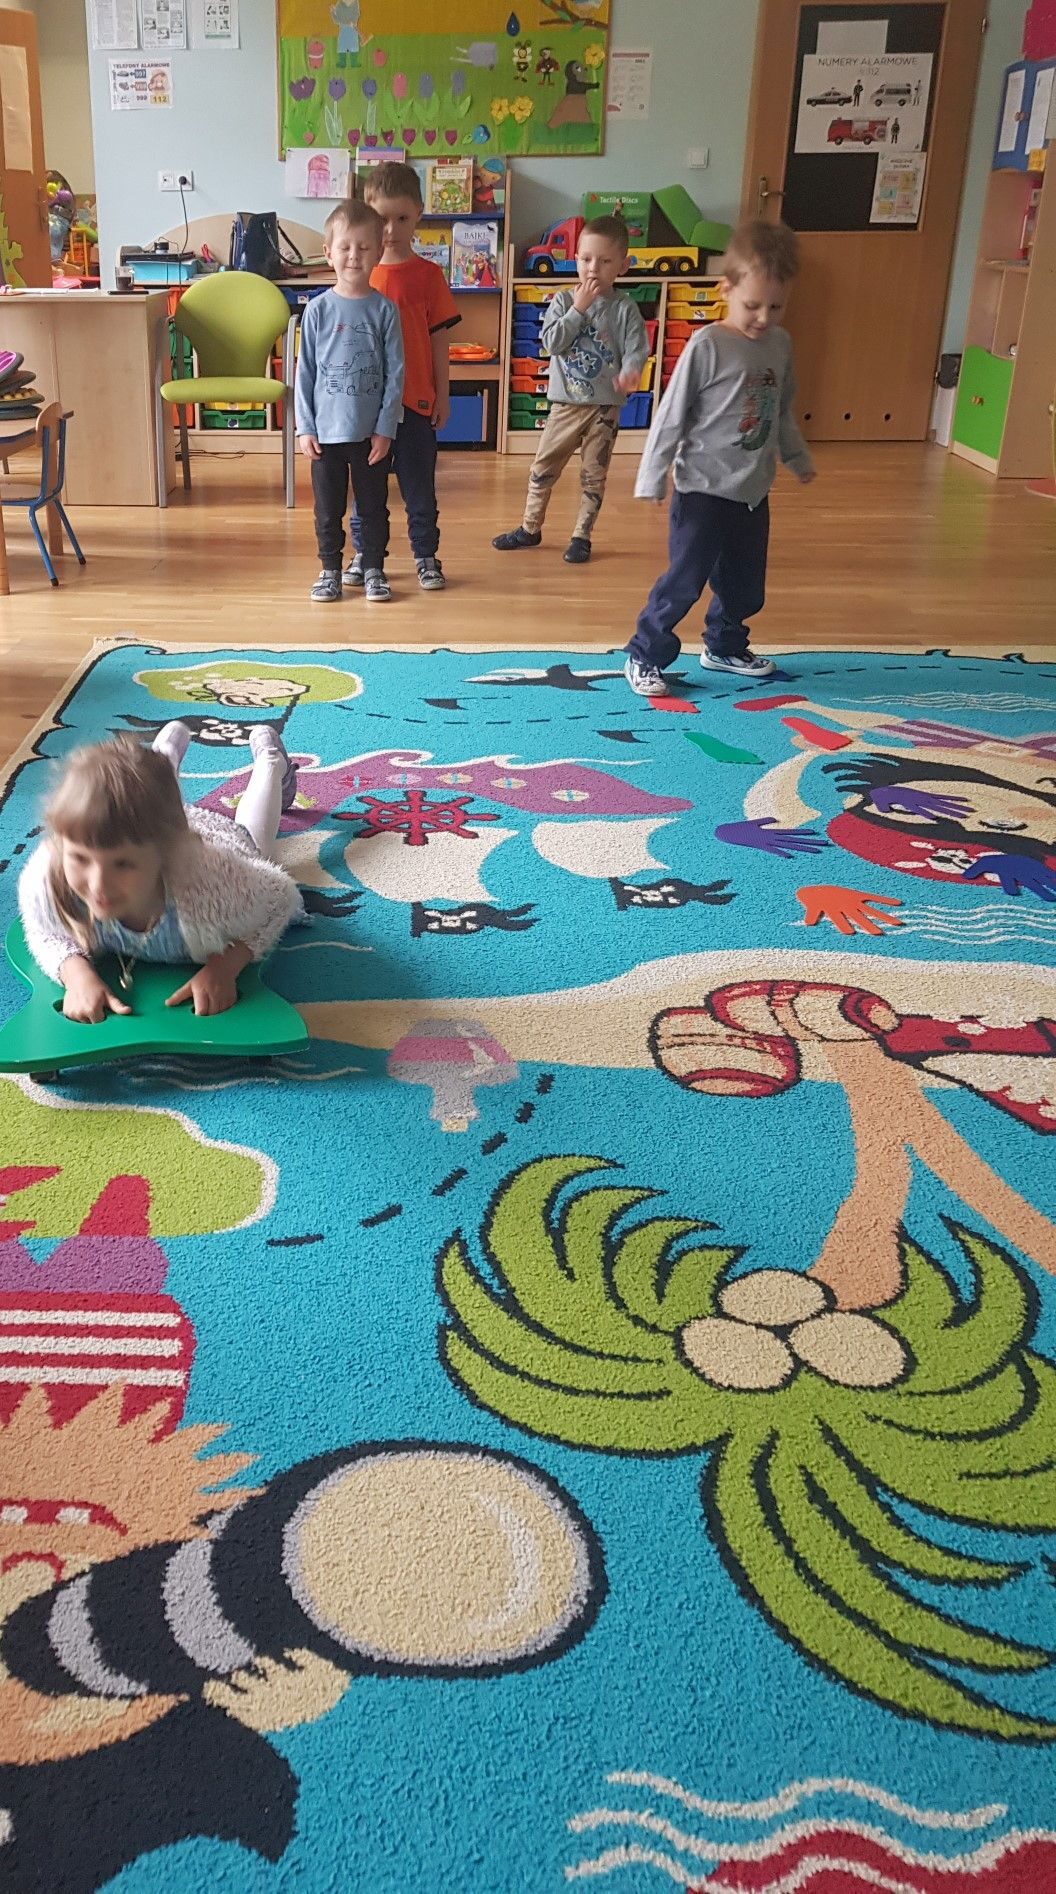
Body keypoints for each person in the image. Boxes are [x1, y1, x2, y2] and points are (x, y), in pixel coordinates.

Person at [624, 219, 815, 697]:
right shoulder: (708, 344)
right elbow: (671, 414)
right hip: (702, 489)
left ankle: (725, 646)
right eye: (753, 305)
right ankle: (645, 653)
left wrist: (795, 456)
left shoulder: (780, 345)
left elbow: (780, 409)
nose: (764, 317)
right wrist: (652, 475)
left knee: (745, 585)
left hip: (752, 491)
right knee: (684, 582)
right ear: (726, 290)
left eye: (777, 306)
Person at [18, 725, 302, 1024]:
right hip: (152, 827)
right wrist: (75, 974)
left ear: (165, 858)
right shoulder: (49, 876)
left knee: (255, 836)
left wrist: (224, 968)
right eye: (80, 859)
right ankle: (165, 752)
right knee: (150, 794)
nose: (97, 884)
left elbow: (280, 896)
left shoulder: (219, 883)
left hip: (223, 842)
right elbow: (42, 930)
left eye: (123, 864)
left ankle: (271, 762)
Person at [493, 215, 647, 565]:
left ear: (622, 266)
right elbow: (552, 343)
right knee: (542, 467)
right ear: (575, 259)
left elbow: (637, 348)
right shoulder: (564, 301)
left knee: (594, 475)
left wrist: (631, 371)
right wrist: (579, 309)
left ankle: (582, 536)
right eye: (586, 259)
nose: (593, 268)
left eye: (605, 261)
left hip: (604, 408)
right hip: (565, 404)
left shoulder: (625, 308)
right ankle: (530, 528)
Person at [345, 160, 460, 594]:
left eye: (402, 218)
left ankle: (426, 556)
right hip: (366, 408)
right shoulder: (360, 274)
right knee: (366, 490)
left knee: (419, 489)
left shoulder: (429, 276)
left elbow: (439, 343)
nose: (391, 230)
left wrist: (443, 395)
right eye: (382, 219)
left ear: (419, 215)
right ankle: (365, 554)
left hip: (415, 403)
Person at [295, 197, 404, 604]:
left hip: (369, 435)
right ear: (329, 253)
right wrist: (305, 427)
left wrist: (385, 428)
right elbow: (304, 373)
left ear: (378, 252)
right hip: (325, 434)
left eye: (363, 247)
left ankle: (373, 567)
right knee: (327, 510)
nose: (354, 256)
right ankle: (330, 570)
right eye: (345, 247)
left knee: (373, 506)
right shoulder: (317, 311)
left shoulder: (385, 311)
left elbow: (395, 374)